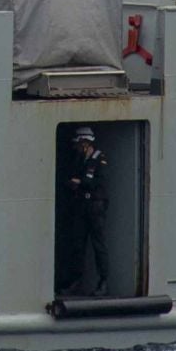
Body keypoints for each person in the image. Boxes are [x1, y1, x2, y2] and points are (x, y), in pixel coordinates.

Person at [64, 126, 110, 296]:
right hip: (82, 204)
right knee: (78, 244)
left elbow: (96, 181)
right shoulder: (79, 159)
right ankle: (76, 281)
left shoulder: (99, 158)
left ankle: (103, 282)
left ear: (84, 143)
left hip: (95, 205)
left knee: (99, 245)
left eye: (78, 144)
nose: (76, 147)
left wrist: (80, 182)